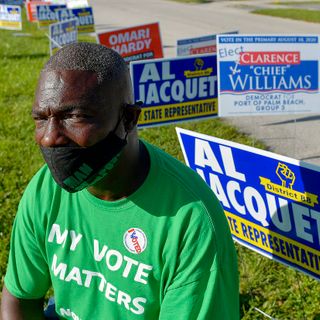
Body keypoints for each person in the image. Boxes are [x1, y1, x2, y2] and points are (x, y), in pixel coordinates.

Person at [1, 42, 239, 319]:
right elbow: (19, 298)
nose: (49, 138)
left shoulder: (191, 220)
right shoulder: (45, 189)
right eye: (41, 118)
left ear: (128, 118)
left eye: (75, 116)